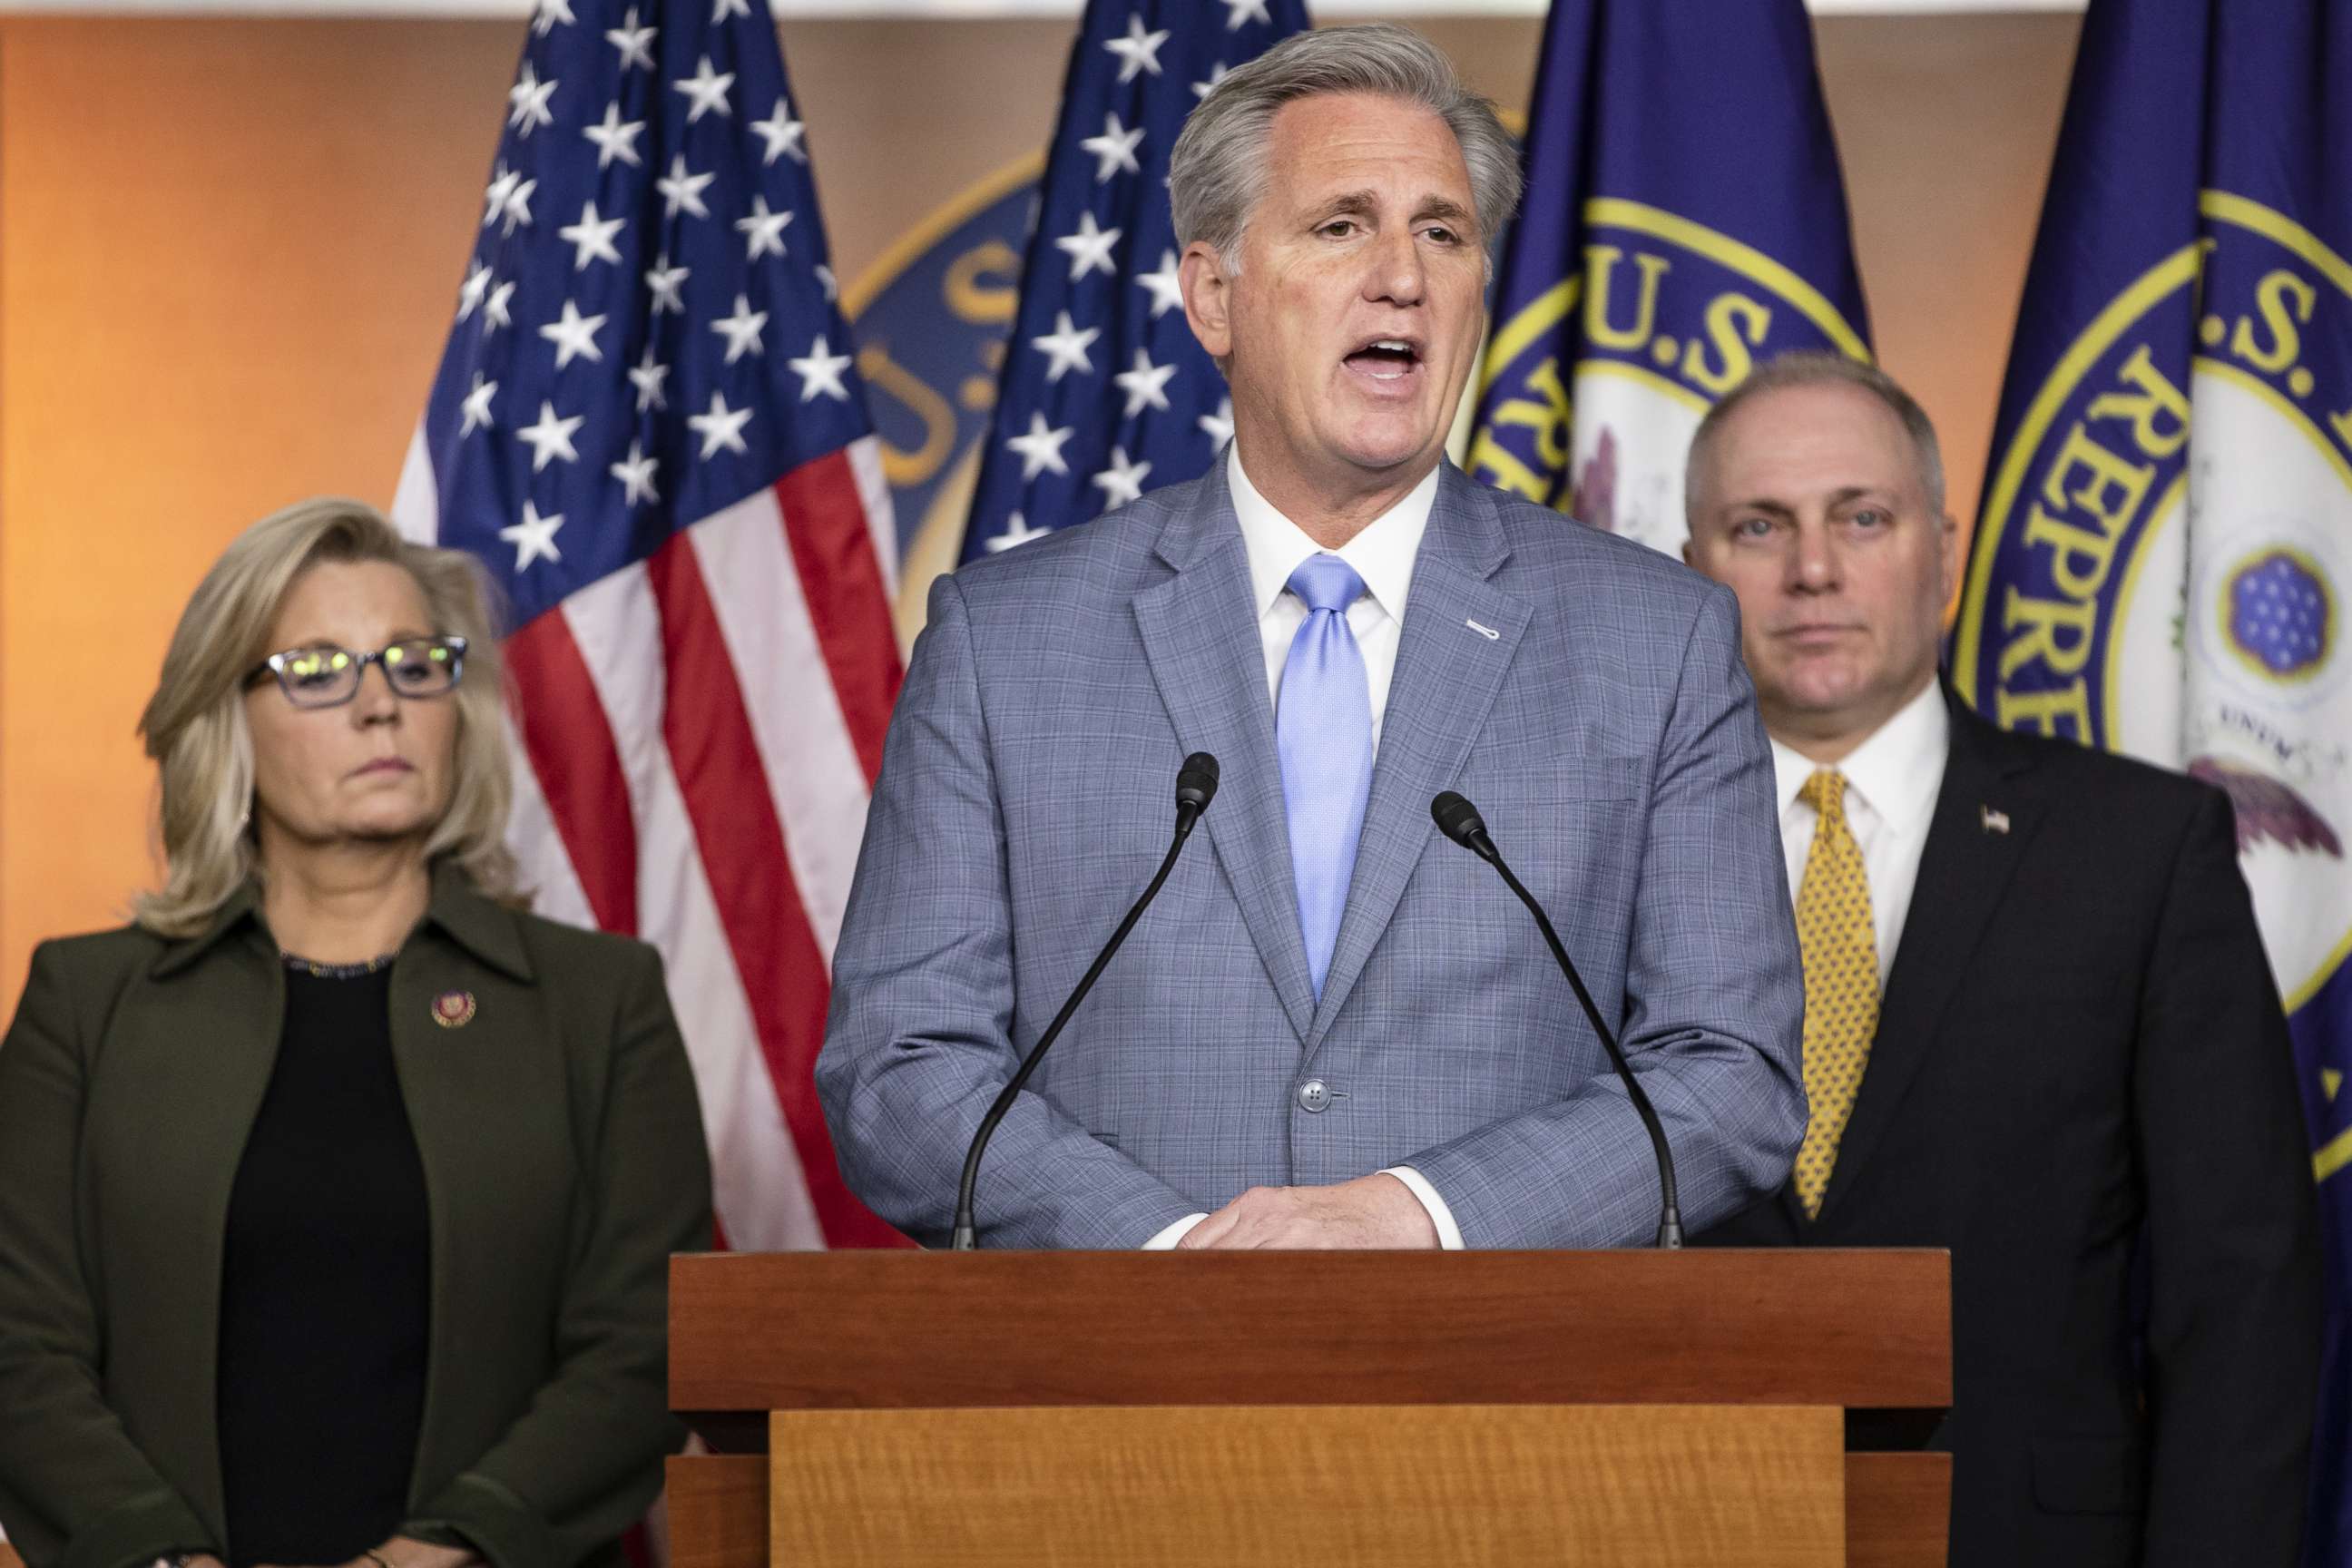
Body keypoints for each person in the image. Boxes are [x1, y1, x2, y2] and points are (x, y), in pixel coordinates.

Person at [817, 24, 1804, 1251]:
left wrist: (1421, 1218)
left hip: (1516, 1405)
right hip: (1120, 1402)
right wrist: (1179, 1257)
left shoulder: (1658, 644)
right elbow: (899, 1063)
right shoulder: (1002, 643)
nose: (1402, 275)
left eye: (1443, 234)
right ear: (1214, 295)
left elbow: (1728, 1070)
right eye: (1341, 225)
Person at [1681, 352, 2321, 1568]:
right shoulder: (1595, 863)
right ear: (1691, 572)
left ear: (1946, 555)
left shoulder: (2140, 851)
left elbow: (2240, 1295)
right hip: (1679, 1529)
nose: (1813, 569)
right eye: (1760, 524)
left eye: (1862, 517)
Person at [0, 500, 712, 1568]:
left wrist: (437, 1556)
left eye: (416, 663)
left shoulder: (600, 1002)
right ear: (223, 714)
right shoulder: (83, 1001)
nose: (381, 704)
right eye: (320, 669)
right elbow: (20, 1344)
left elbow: (644, 1347)